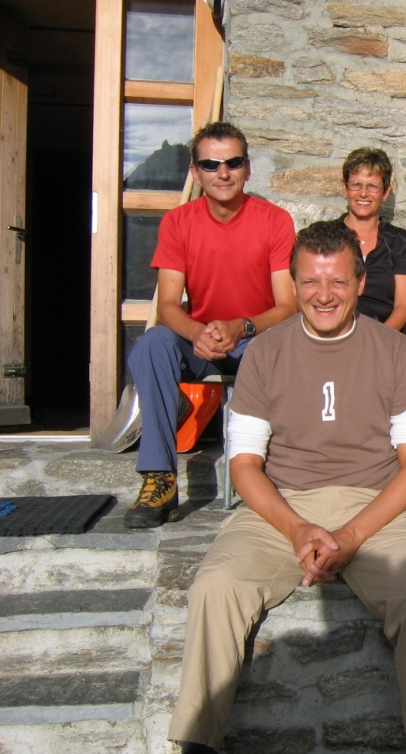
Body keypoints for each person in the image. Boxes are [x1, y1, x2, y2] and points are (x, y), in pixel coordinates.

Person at [167, 220, 406, 754]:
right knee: (216, 586)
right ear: (294, 284)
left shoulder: (396, 352)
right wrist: (298, 529)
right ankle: (197, 745)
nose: (324, 295)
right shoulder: (264, 352)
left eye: (338, 282)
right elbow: (245, 465)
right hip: (284, 503)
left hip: (376, 505)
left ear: (361, 282)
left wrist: (349, 537)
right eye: (311, 282)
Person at [124, 121, 297, 529]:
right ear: (195, 171)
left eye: (233, 162)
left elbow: (288, 305)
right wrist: (196, 333)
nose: (223, 172)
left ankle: (276, 473)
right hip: (201, 339)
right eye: (210, 164)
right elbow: (168, 305)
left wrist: (241, 327)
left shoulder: (274, 221)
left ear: (247, 168)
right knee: (152, 344)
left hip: (255, 338)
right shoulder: (178, 222)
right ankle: (159, 478)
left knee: (282, 350)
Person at [338, 147, 406, 334]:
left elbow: (403, 307)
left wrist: (378, 340)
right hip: (334, 328)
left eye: (372, 186)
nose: (363, 193)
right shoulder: (325, 236)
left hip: (382, 332)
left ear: (385, 193)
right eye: (356, 184)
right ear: (345, 188)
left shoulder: (401, 243)